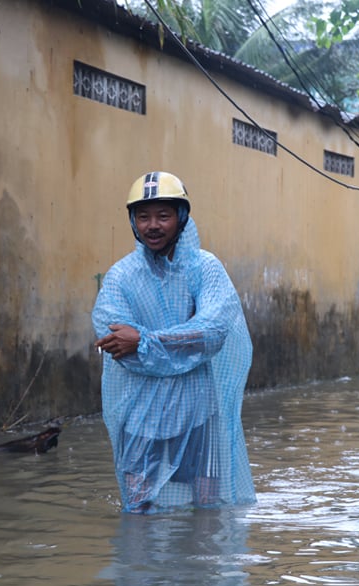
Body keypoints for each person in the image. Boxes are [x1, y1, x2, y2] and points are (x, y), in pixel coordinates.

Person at [92, 171, 256, 514]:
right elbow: (114, 338)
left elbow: (214, 330)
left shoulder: (205, 269)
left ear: (181, 217)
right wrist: (177, 343)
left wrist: (144, 340)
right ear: (133, 221)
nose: (152, 225)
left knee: (206, 509)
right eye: (143, 216)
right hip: (140, 411)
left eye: (163, 216)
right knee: (137, 510)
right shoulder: (121, 276)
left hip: (199, 408)